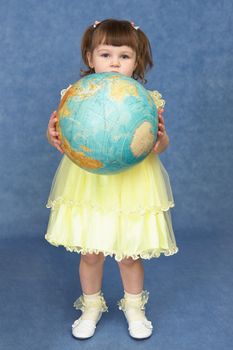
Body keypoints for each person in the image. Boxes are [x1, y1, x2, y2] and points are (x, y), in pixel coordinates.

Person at [45, 18, 179, 340]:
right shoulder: (76, 96)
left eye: (124, 55)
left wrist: (159, 141)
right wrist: (52, 135)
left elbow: (160, 143)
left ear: (137, 62)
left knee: (129, 253)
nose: (115, 62)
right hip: (89, 183)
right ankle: (90, 306)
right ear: (90, 59)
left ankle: (134, 307)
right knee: (91, 252)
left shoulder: (145, 100)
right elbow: (66, 133)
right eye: (106, 54)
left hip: (132, 185)